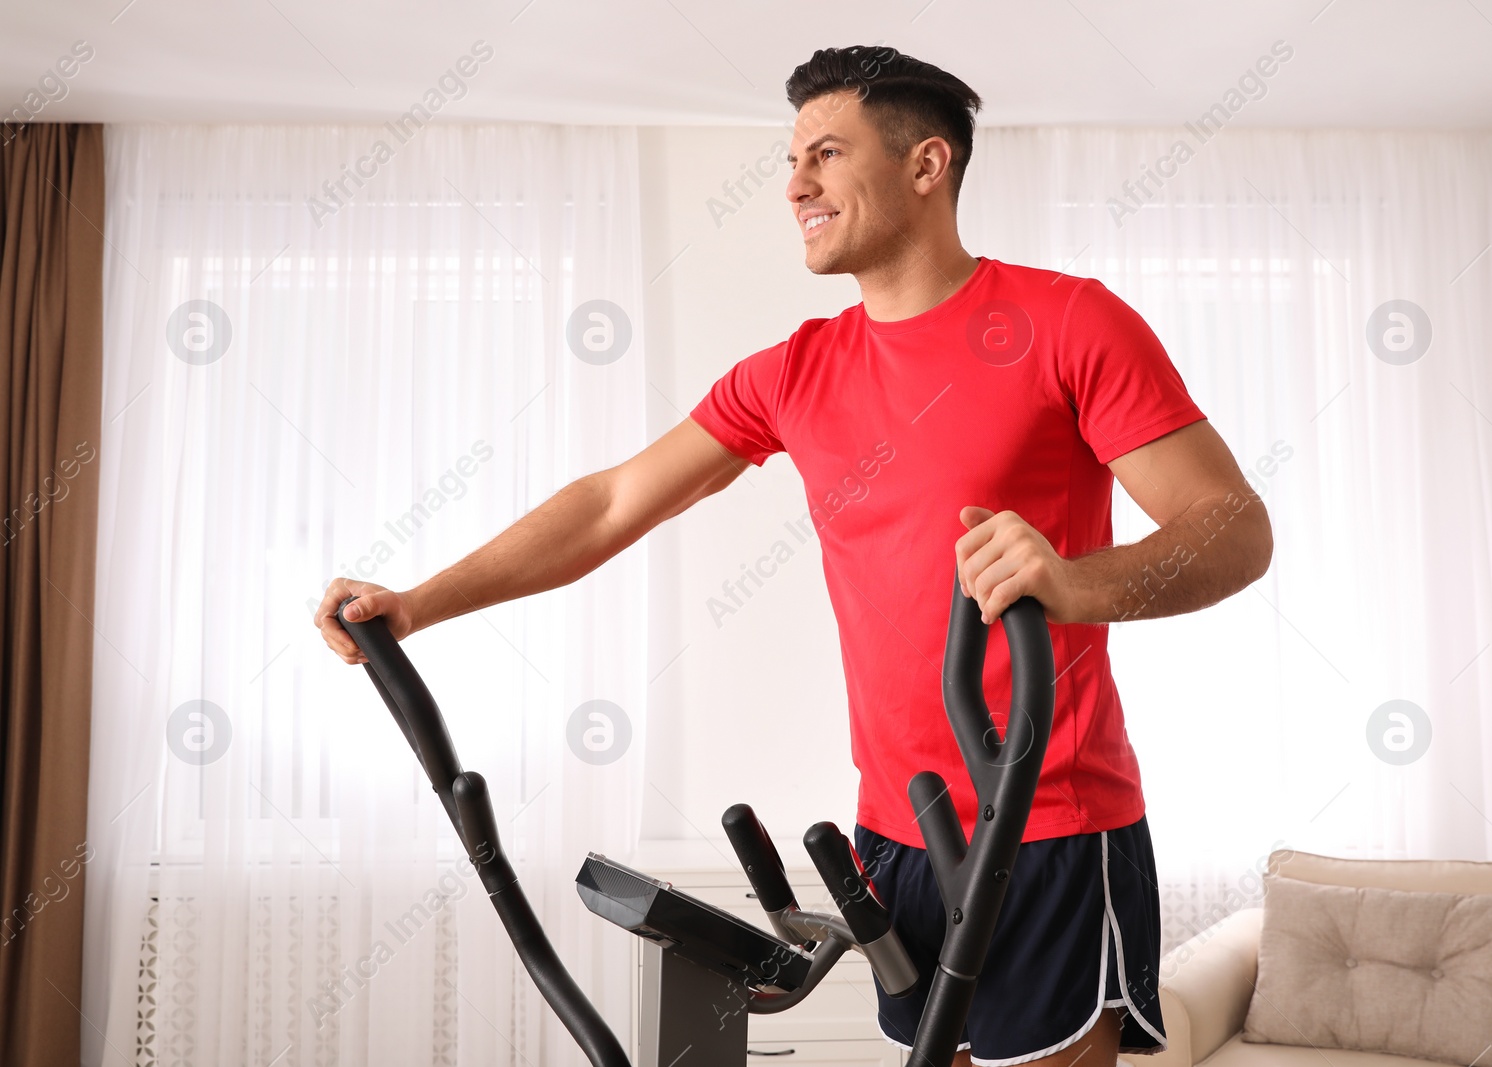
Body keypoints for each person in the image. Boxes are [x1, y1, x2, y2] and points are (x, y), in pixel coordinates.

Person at [315, 45, 1272, 1067]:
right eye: (790, 160)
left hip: (1047, 819)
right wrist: (417, 601)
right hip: (893, 827)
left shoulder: (1066, 322)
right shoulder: (795, 370)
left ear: (925, 164)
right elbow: (607, 504)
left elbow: (1233, 527)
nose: (794, 186)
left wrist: (1072, 581)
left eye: (824, 153)